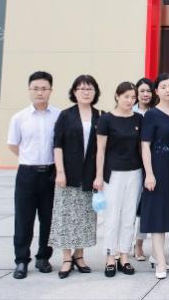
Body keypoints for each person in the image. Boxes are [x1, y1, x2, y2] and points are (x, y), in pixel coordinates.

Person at [8, 71, 61, 279]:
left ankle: (43, 257)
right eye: (36, 88)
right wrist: (29, 158)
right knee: (24, 219)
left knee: (48, 219)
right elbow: (13, 145)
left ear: (51, 91)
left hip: (51, 173)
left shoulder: (59, 116)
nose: (40, 92)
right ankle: (21, 260)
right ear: (29, 90)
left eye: (44, 88)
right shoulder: (19, 118)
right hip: (27, 173)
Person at [50, 74, 101, 279]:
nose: (86, 92)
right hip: (68, 174)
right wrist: (60, 172)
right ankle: (66, 258)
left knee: (85, 217)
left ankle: (79, 256)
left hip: (89, 175)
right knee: (65, 217)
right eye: (82, 89)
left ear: (95, 92)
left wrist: (99, 175)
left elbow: (102, 149)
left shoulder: (100, 116)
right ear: (74, 92)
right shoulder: (65, 115)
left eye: (90, 89)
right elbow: (57, 145)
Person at [94, 82, 143, 277]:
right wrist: (98, 176)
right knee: (112, 216)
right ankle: (110, 256)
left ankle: (124, 256)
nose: (130, 101)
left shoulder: (138, 118)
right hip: (113, 174)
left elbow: (142, 148)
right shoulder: (106, 119)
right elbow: (100, 150)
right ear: (117, 96)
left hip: (135, 172)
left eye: (133, 97)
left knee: (129, 216)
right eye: (126, 97)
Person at [140, 73, 169, 279]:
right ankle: (161, 262)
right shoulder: (151, 115)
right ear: (156, 91)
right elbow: (145, 146)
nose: (168, 90)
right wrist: (149, 173)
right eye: (163, 87)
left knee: (168, 213)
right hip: (158, 167)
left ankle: (156, 256)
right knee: (158, 214)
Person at [132, 77, 156, 262]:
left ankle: (139, 245)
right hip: (131, 165)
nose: (146, 94)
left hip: (152, 164)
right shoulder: (130, 111)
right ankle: (122, 246)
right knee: (129, 207)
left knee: (145, 208)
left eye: (148, 91)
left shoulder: (155, 112)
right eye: (142, 91)